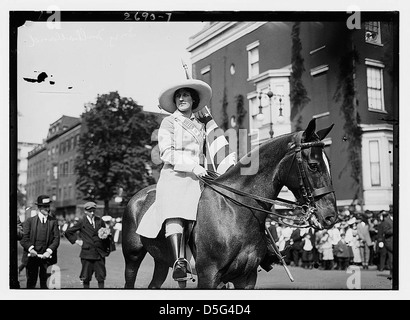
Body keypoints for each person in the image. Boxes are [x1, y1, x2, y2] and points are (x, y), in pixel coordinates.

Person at [136, 79, 217, 281]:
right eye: (178, 96)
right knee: (176, 212)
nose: (181, 98)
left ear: (193, 99)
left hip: (198, 177)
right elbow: (166, 153)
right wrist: (192, 166)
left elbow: (206, 153)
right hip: (175, 176)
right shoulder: (169, 122)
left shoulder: (200, 126)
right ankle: (179, 262)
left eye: (186, 95)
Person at [65, 201, 112, 288]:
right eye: (90, 211)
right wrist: (76, 241)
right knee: (86, 277)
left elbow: (104, 232)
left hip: (99, 254)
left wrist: (106, 235)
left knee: (101, 277)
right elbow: (68, 232)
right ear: (85, 211)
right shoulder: (82, 222)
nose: (92, 213)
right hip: (87, 254)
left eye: (94, 210)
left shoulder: (100, 221)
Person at [20, 195, 60, 289]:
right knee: (31, 282)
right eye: (44, 206)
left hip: (47, 258)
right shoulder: (30, 221)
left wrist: (49, 251)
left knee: (44, 283)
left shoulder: (53, 221)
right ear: (39, 207)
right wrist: (31, 249)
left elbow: (56, 239)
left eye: (48, 206)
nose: (47, 208)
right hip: (32, 257)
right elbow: (24, 238)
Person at [377, 210, 393, 280]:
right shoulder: (385, 222)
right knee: (385, 255)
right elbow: (384, 232)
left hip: (390, 241)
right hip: (388, 242)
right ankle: (383, 268)